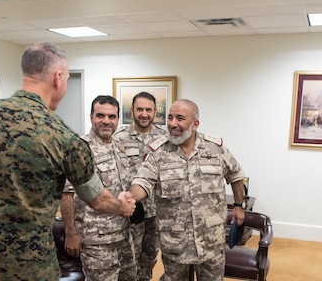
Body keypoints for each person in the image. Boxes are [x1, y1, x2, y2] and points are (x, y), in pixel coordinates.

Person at [0, 42, 135, 281]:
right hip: (32, 265)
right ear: (58, 78)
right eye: (67, 79)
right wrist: (123, 207)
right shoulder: (63, 137)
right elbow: (98, 200)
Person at [127, 98, 246, 281]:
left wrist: (238, 205)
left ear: (195, 124)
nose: (173, 123)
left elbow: (236, 175)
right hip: (175, 241)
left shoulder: (214, 148)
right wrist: (130, 197)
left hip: (210, 240)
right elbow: (142, 181)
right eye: (170, 117)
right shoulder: (158, 151)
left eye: (180, 118)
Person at [60, 95, 138, 281]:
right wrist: (71, 234)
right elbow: (67, 195)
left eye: (112, 117)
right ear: (91, 117)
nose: (106, 121)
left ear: (118, 119)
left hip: (123, 235)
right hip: (97, 240)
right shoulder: (80, 149)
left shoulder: (119, 147)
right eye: (100, 115)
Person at [114, 91, 166, 281]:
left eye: (148, 110)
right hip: (132, 209)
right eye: (140, 109)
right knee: (129, 257)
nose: (144, 114)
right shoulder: (118, 137)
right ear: (132, 111)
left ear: (155, 112)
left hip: (157, 210)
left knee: (150, 256)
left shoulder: (165, 139)